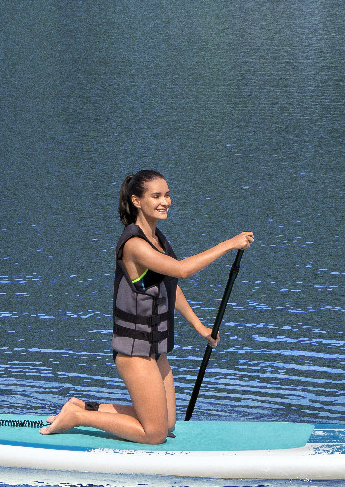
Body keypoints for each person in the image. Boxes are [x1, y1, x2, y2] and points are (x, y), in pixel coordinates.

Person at [41, 170, 253, 444]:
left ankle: (81, 407)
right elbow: (181, 271)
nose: (165, 201)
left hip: (155, 346)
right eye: (156, 196)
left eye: (167, 195)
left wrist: (200, 327)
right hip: (134, 349)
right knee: (154, 434)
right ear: (137, 201)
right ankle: (80, 418)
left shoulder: (158, 240)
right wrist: (229, 244)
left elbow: (169, 286)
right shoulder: (134, 245)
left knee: (167, 423)